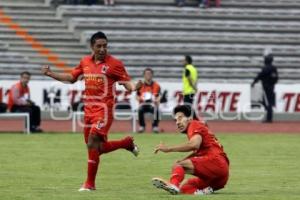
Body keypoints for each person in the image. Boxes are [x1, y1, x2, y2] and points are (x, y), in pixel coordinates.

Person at [41, 31, 141, 191]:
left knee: (93, 141)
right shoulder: (85, 61)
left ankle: (89, 184)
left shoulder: (115, 64)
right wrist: (51, 74)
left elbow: (128, 84)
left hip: (104, 111)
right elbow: (71, 78)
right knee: (95, 148)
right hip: (88, 111)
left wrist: (136, 86)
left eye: (105, 46)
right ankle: (126, 143)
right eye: (99, 46)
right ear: (92, 47)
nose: (102, 49)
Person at [152, 105, 229, 195]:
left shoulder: (194, 124)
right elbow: (198, 151)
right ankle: (203, 192)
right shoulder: (199, 127)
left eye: (180, 118)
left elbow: (194, 145)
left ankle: (173, 185)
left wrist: (169, 149)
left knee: (178, 165)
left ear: (190, 119)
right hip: (220, 177)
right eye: (176, 120)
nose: (177, 122)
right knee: (185, 187)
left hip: (215, 163)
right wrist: (183, 161)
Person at [251, 50, 278, 123]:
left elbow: (260, 75)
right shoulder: (274, 68)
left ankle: (269, 119)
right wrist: (272, 83)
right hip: (271, 87)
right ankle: (269, 117)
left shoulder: (266, 68)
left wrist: (254, 82)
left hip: (266, 87)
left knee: (267, 103)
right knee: (268, 102)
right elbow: (276, 78)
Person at [136, 68, 161, 133]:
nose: (148, 75)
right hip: (143, 104)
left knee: (157, 110)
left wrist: (156, 100)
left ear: (152, 75)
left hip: (152, 104)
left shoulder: (157, 85)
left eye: (149, 74)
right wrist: (140, 98)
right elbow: (137, 96)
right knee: (140, 109)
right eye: (146, 74)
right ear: (144, 75)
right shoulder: (140, 85)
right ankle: (142, 126)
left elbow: (159, 96)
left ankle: (155, 126)